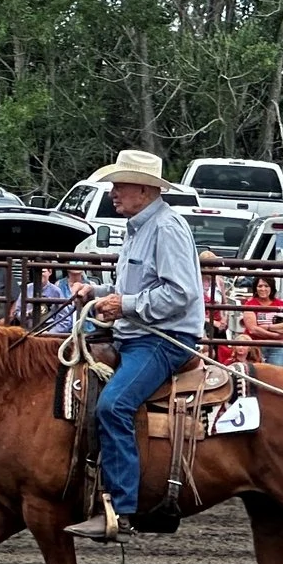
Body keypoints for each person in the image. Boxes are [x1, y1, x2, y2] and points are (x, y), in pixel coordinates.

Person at [67, 149, 201, 541]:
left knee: (114, 405)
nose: (113, 192)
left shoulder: (167, 228)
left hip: (163, 339)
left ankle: (121, 510)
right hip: (137, 334)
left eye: (120, 185)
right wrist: (97, 292)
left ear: (145, 190)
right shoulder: (141, 228)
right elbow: (136, 287)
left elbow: (181, 293)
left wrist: (122, 304)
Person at [239, 273, 283, 366]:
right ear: (255, 288)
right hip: (255, 347)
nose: (263, 289)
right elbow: (253, 329)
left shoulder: (280, 304)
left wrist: (266, 327)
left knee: (278, 373)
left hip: (276, 348)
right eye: (260, 286)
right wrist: (275, 334)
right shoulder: (250, 304)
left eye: (266, 286)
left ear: (272, 287)